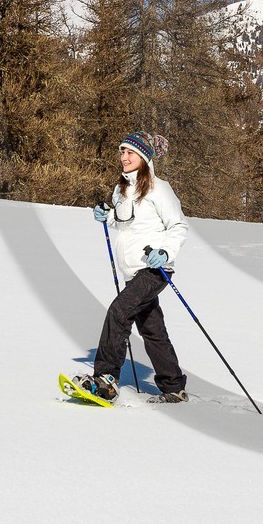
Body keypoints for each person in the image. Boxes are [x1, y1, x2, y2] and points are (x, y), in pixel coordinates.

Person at [72, 132, 190, 404]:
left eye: (130, 152)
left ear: (144, 157)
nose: (124, 157)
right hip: (132, 271)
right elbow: (126, 223)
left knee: (119, 311)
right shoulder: (122, 189)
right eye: (122, 152)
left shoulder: (159, 189)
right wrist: (107, 216)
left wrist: (165, 252)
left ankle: (105, 380)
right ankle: (173, 385)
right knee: (152, 329)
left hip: (154, 269)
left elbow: (178, 226)